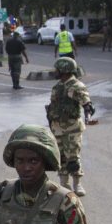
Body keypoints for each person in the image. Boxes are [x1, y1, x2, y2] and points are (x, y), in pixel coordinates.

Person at [46, 58, 97, 197]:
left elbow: (87, 104)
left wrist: (88, 117)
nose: (55, 72)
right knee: (60, 157)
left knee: (73, 157)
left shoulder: (76, 86)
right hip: (57, 128)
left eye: (57, 69)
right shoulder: (57, 87)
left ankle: (77, 183)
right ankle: (64, 184)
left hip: (72, 128)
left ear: (64, 70)